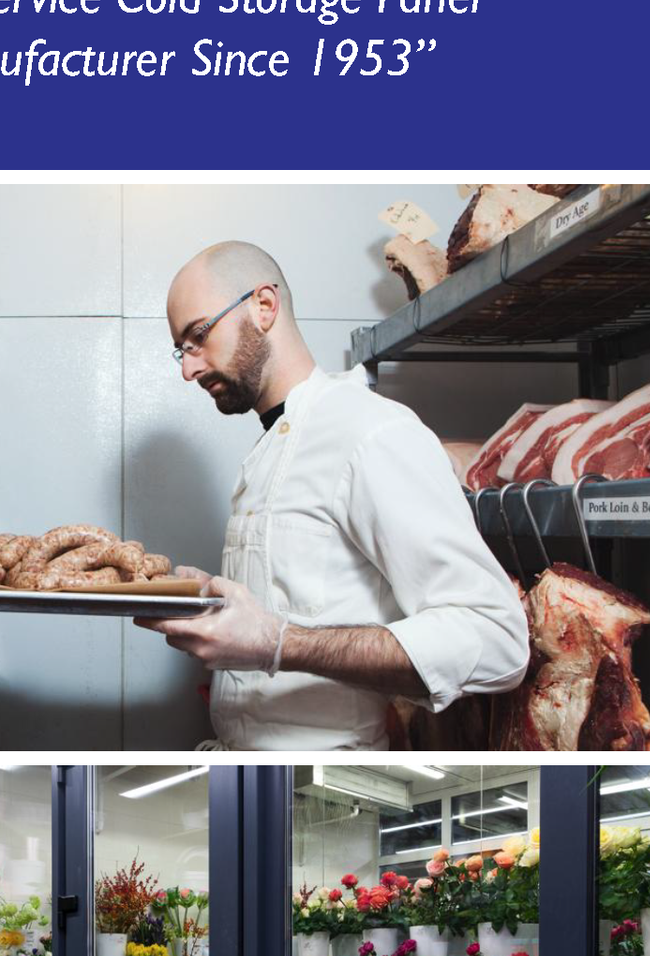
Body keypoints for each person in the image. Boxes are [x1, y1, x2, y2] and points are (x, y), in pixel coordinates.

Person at [135, 241, 528, 748]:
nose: (187, 369)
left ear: (264, 307)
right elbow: (293, 603)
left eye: (199, 337)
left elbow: (498, 640)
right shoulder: (267, 452)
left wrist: (280, 644)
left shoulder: (372, 432)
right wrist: (215, 600)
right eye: (181, 349)